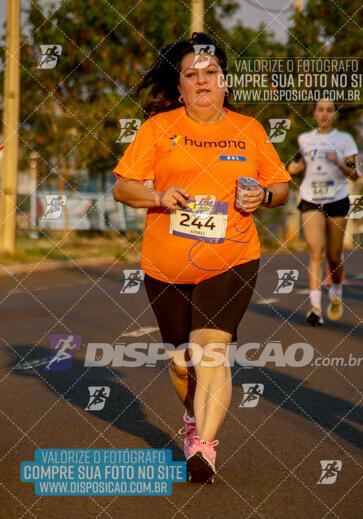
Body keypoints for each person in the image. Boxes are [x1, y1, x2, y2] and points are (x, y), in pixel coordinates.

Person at [113, 32, 290, 483]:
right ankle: (192, 419)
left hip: (232, 256)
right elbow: (124, 187)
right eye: (192, 75)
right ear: (180, 88)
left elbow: (280, 187)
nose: (203, 82)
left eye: (211, 73)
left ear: (226, 82)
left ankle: (204, 446)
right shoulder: (158, 129)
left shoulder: (249, 130)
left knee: (212, 350)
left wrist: (264, 195)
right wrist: (157, 193)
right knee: (180, 360)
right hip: (167, 264)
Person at [288, 99, 359, 326]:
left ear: (335, 114)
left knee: (334, 256)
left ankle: (336, 292)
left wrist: (339, 163)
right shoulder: (304, 139)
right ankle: (315, 308)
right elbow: (301, 164)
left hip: (337, 200)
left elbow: (355, 174)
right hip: (310, 199)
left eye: (329, 110)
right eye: (320, 110)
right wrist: (296, 168)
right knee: (316, 252)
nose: (324, 114)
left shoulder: (344, 140)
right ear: (314, 113)